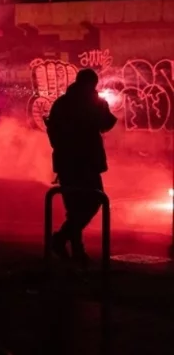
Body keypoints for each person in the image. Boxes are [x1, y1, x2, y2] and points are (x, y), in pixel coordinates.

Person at [45, 68, 117, 266]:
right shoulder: (91, 103)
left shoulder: (61, 103)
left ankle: (76, 250)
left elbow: (53, 133)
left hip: (66, 163)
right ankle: (61, 240)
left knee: (74, 207)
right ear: (91, 84)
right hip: (87, 162)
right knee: (94, 200)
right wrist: (102, 105)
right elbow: (106, 123)